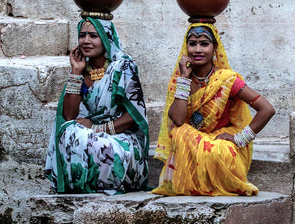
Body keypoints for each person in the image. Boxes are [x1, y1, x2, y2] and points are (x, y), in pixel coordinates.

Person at [153, 22, 275, 196]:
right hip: (192, 140)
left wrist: (239, 139)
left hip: (219, 141)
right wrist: (184, 79)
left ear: (214, 47)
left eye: (204, 44)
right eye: (192, 44)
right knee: (179, 132)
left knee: (218, 151)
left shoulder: (227, 79)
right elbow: (178, 120)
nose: (197, 50)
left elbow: (267, 109)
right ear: (185, 47)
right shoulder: (181, 79)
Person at [45, 15, 149, 193]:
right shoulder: (82, 71)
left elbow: (134, 116)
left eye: (93, 36)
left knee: (99, 145)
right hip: (92, 134)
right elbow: (69, 116)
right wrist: (76, 72)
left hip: (122, 135)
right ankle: (82, 183)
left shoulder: (123, 67)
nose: (86, 41)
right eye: (82, 35)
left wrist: (98, 129)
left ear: (107, 38)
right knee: (69, 131)